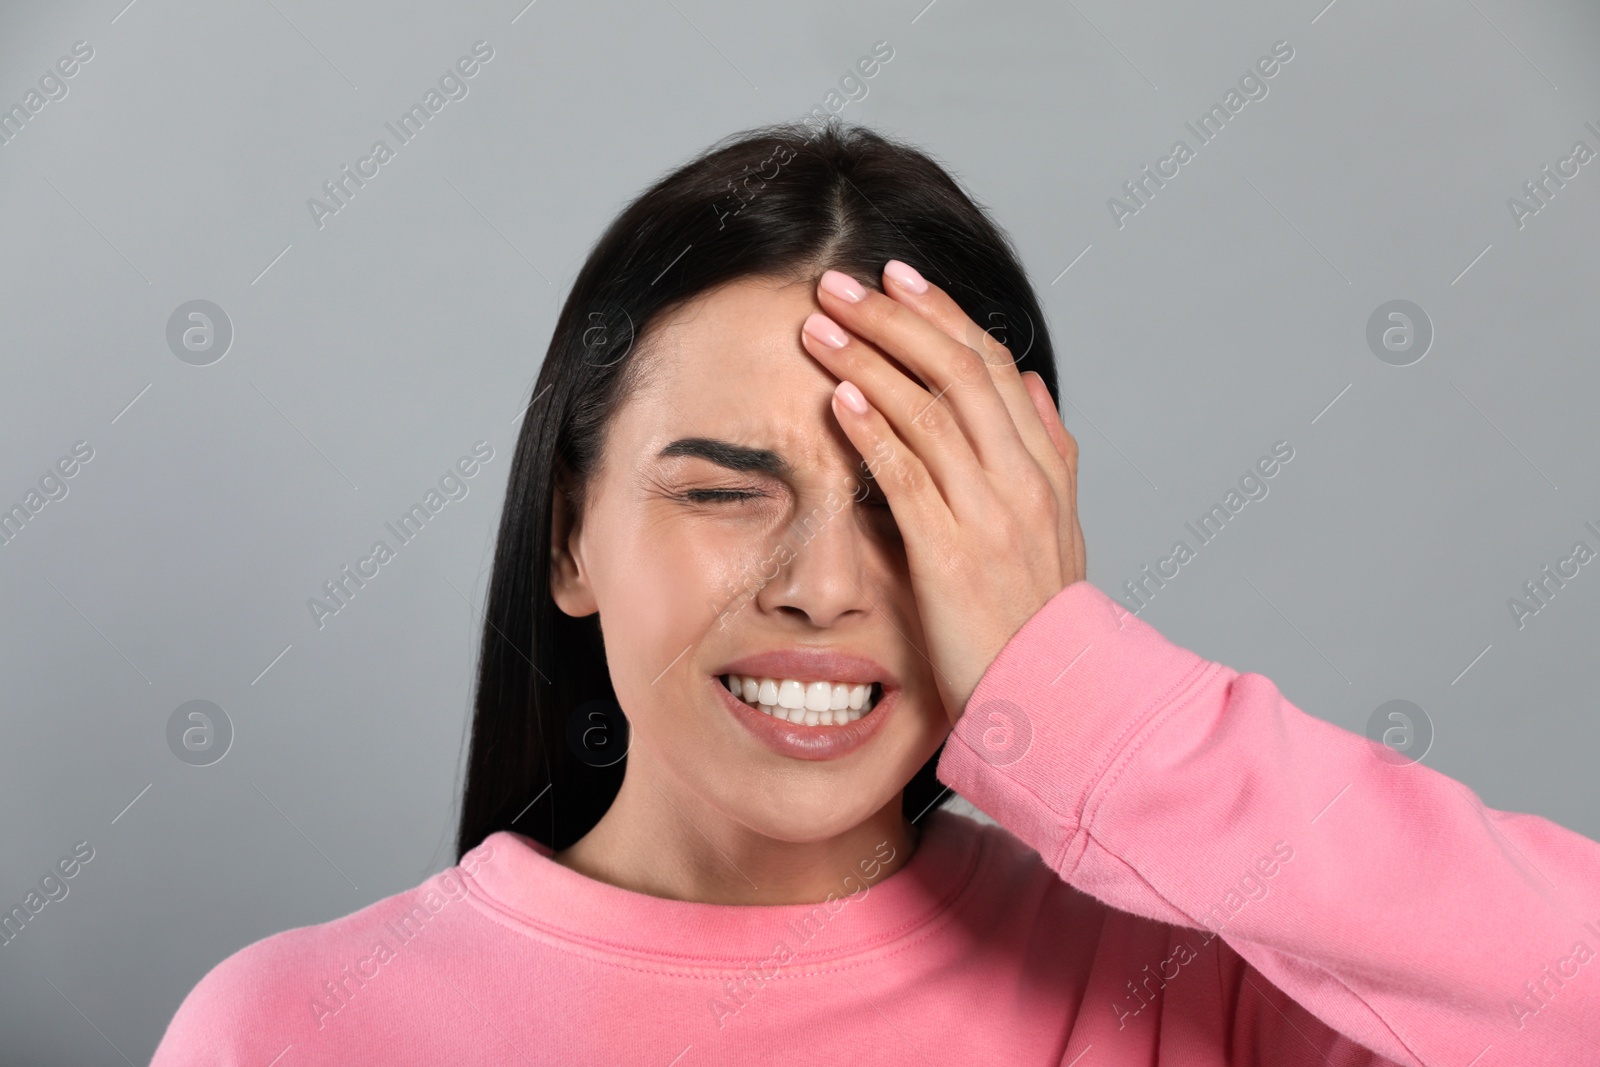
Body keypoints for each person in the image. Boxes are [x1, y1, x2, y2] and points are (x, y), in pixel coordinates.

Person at [151, 119, 1600, 1065]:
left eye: (916, 502)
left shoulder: (1198, 998)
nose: (824, 587)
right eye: (722, 491)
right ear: (568, 540)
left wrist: (1085, 705)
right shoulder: (285, 1032)